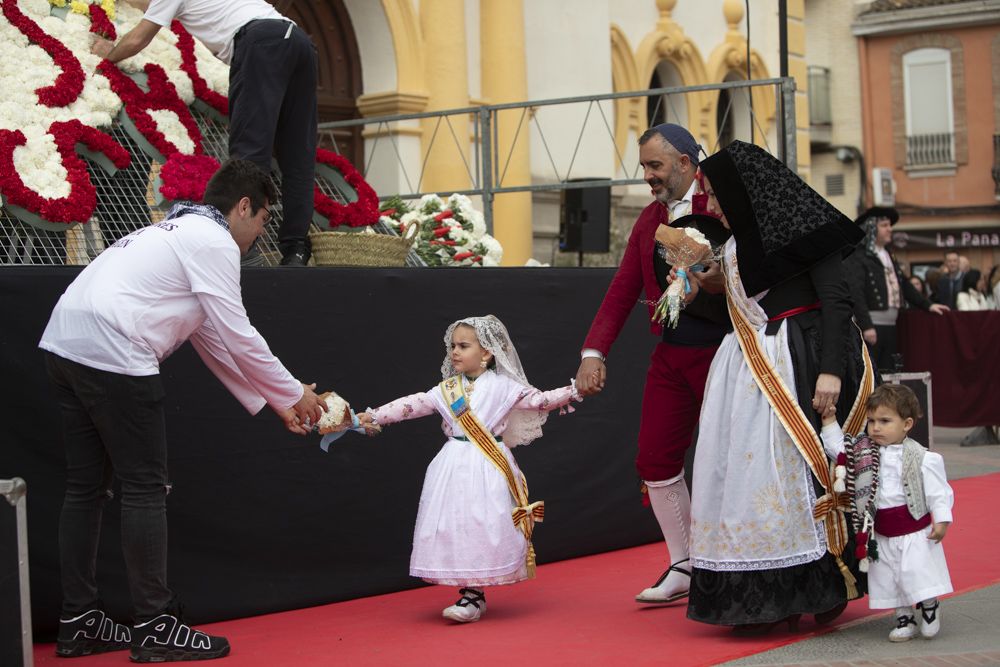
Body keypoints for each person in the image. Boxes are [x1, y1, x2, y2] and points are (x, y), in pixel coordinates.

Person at [39, 159, 327, 661]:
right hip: (114, 349)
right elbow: (237, 332)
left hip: (65, 343)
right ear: (243, 207)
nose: (261, 234)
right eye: (262, 220)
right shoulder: (213, 241)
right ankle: (154, 626)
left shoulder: (176, 229)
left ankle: (79, 620)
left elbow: (210, 334)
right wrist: (293, 394)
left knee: (86, 490)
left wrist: (275, 400)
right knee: (146, 489)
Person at [686, 140, 872, 634]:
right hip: (745, 370)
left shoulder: (805, 226)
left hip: (800, 361)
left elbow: (837, 301)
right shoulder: (731, 248)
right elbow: (736, 313)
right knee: (746, 481)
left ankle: (821, 584)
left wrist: (831, 369)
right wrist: (697, 287)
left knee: (801, 475)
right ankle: (760, 593)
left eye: (719, 195)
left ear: (745, 192)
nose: (714, 206)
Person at [574, 123, 730, 605]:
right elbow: (622, 289)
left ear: (686, 162)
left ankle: (732, 564)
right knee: (654, 459)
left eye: (655, 165)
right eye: (644, 166)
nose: (648, 175)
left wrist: (717, 275)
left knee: (725, 460)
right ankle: (683, 563)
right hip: (671, 354)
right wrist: (593, 352)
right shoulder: (647, 220)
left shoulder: (722, 207)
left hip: (726, 353)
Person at [357, 315, 582, 623]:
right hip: (452, 463)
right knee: (455, 524)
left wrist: (575, 391)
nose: (455, 352)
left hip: (487, 464)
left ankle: (474, 594)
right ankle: (470, 593)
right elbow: (414, 403)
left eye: (464, 346)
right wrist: (373, 416)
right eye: (453, 346)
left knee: (481, 523)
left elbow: (541, 401)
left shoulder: (504, 387)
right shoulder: (448, 388)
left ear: (487, 353)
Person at [93, 0, 318, 267]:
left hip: (261, 42)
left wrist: (108, 52)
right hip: (300, 43)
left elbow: (139, 38)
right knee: (297, 155)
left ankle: (246, 250)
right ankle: (296, 250)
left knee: (249, 154)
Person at [820, 384, 953, 642]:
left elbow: (938, 491)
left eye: (884, 421)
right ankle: (904, 618)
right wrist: (828, 421)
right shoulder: (863, 453)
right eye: (871, 421)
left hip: (914, 531)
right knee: (890, 577)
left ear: (907, 424)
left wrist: (943, 519)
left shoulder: (923, 458)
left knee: (916, 572)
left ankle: (929, 605)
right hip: (880, 532)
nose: (876, 428)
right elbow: (838, 448)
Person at [846, 207, 948, 372]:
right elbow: (856, 292)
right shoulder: (859, 255)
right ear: (872, 228)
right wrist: (866, 325)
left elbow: (904, 285)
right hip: (872, 325)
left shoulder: (887, 254)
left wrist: (928, 305)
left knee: (890, 370)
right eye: (885, 225)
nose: (890, 229)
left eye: (889, 225)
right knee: (872, 372)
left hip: (891, 324)